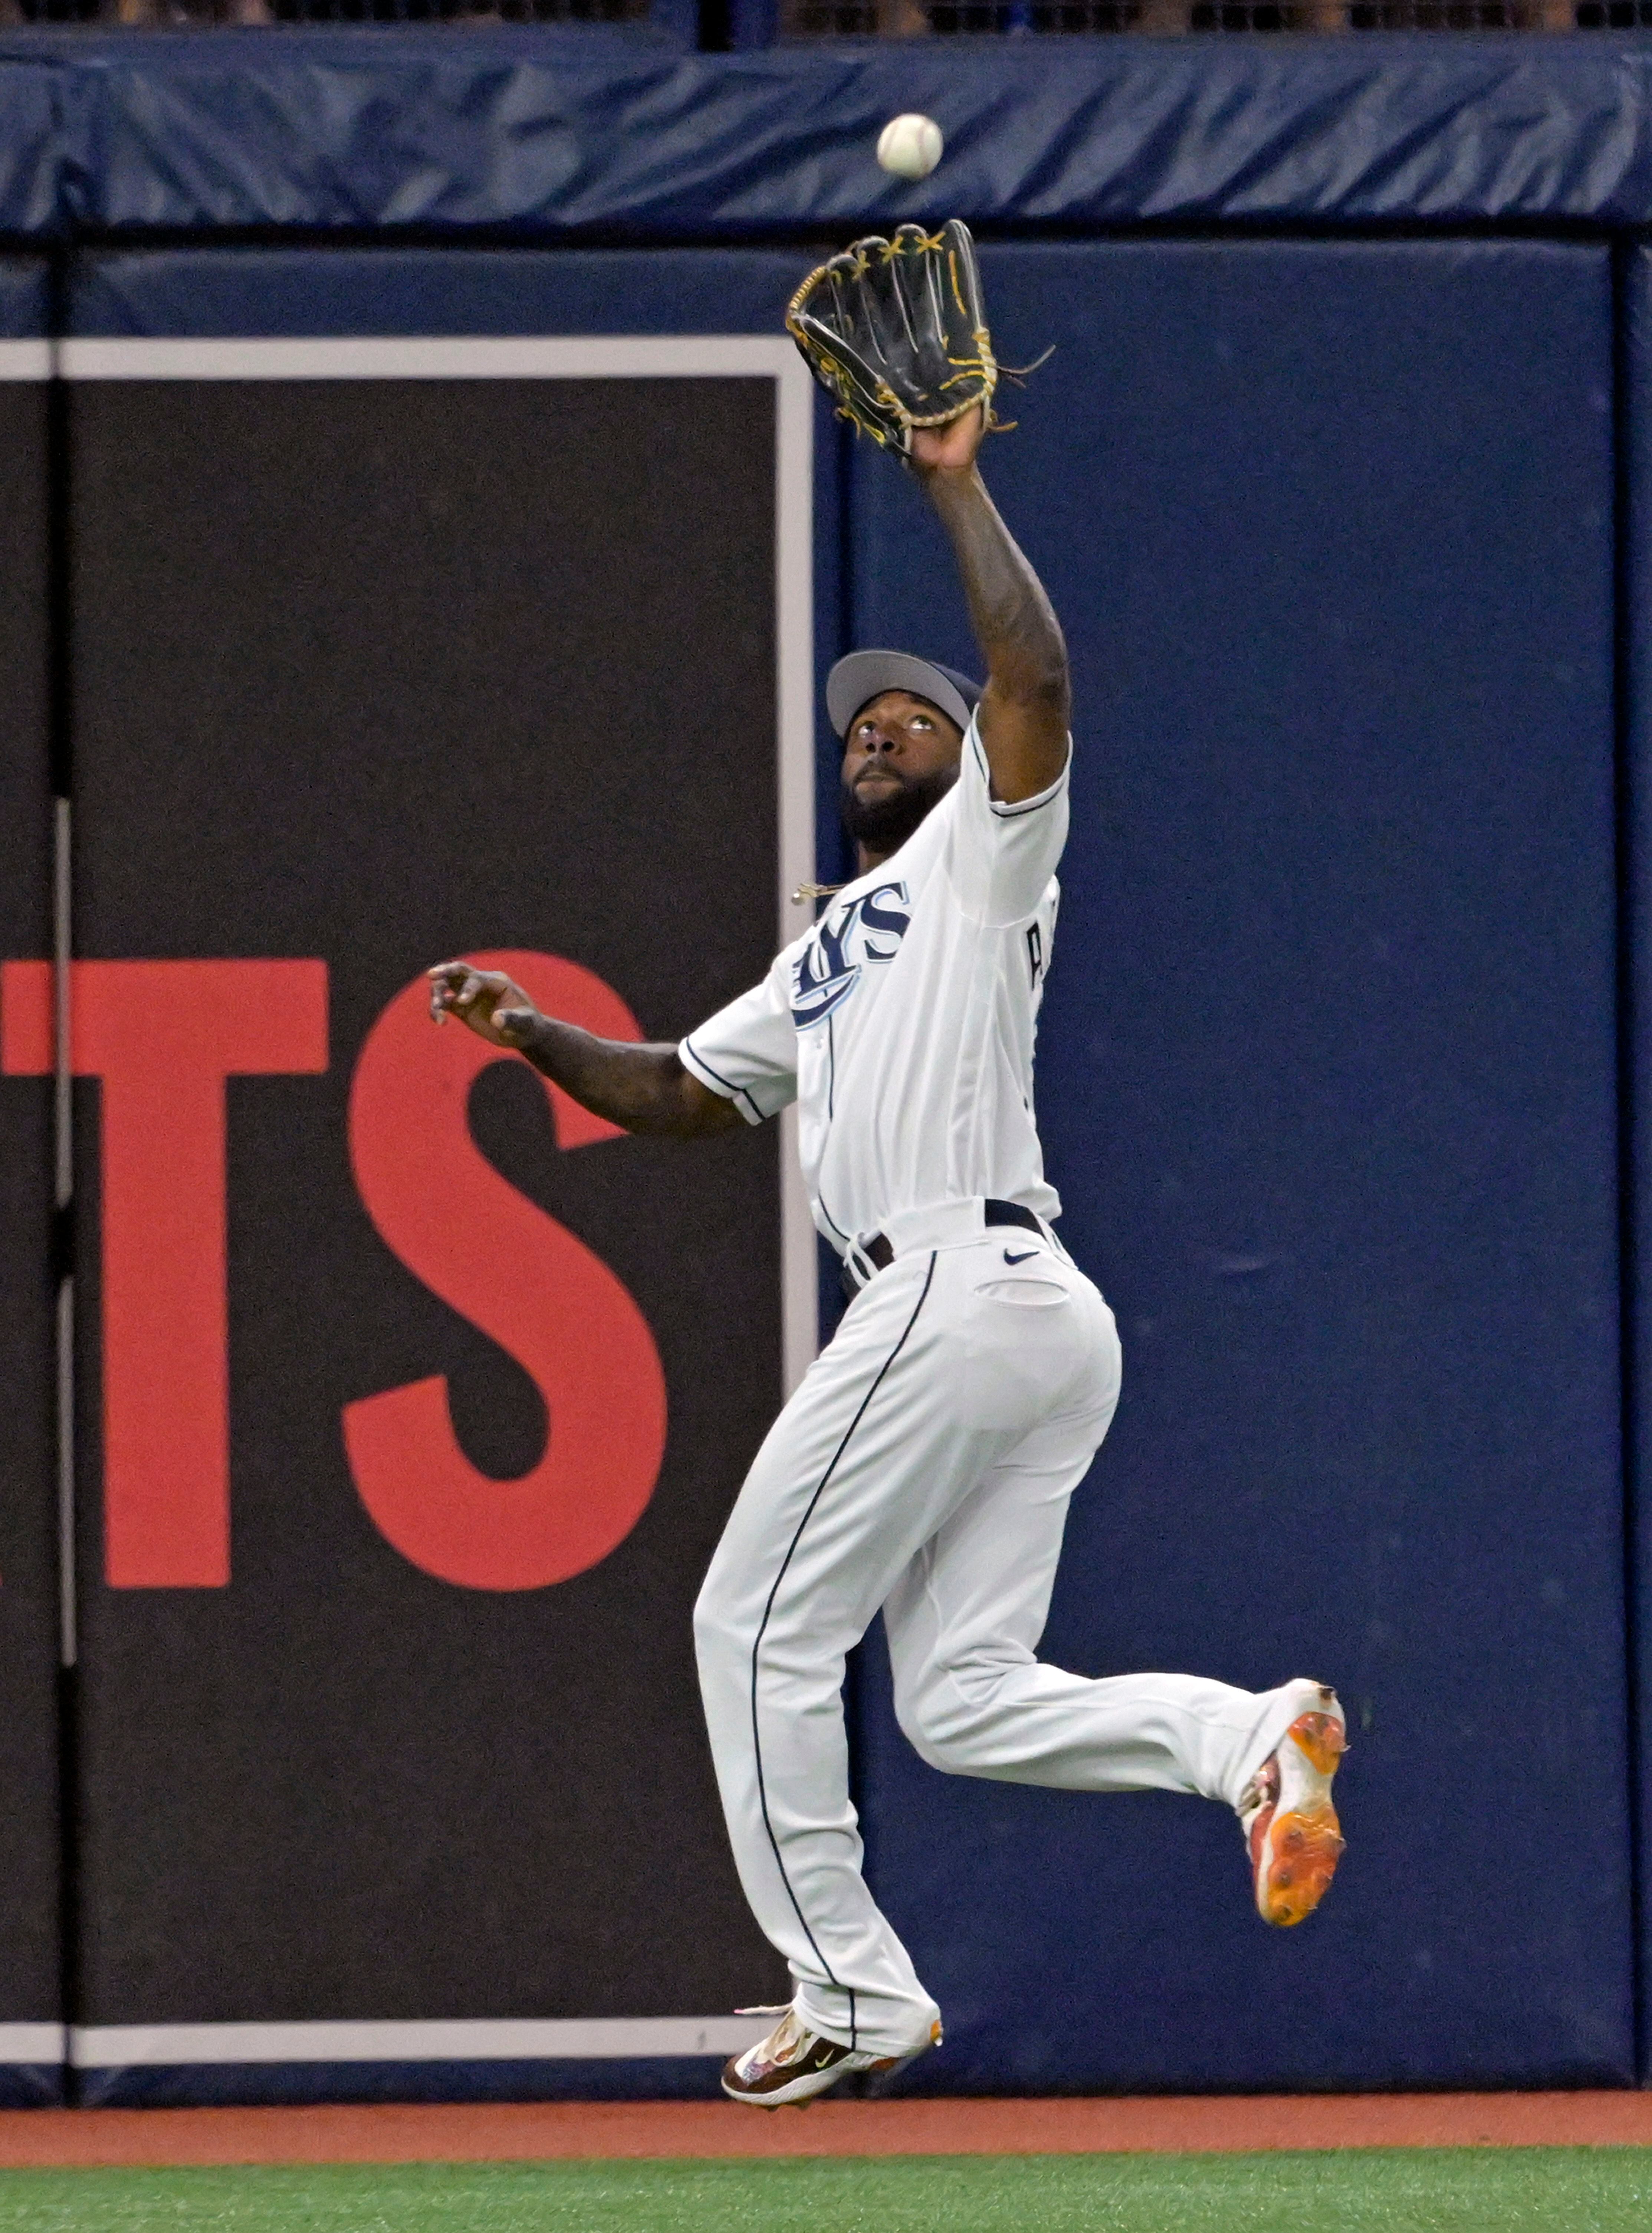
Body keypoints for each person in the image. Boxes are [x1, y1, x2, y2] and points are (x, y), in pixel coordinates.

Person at [428, 402, 1346, 2112]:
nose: (880, 730)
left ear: (963, 751)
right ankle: (1254, 1737)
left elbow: (1042, 680)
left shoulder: (983, 854)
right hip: (1020, 1317)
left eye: (913, 712)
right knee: (960, 1698)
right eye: (859, 721)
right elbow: (683, 1096)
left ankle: (846, 1982)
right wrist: (537, 1032)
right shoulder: (828, 942)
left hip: (954, 1286)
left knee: (748, 1620)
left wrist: (954, 484)